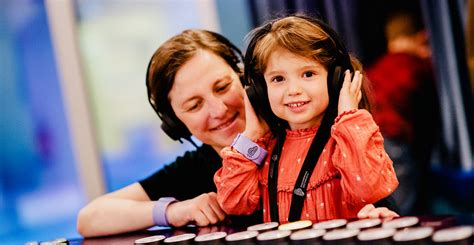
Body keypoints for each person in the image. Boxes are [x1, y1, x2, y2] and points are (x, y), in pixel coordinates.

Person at [77, 29, 398, 237]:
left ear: (249, 82)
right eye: (194, 105)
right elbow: (91, 217)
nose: (218, 110)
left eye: (222, 87)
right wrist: (176, 210)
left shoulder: (303, 129)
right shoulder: (197, 166)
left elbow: (373, 192)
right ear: (176, 124)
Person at [215, 15, 399, 223]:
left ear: (334, 80)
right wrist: (251, 135)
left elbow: (368, 188)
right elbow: (233, 203)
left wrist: (349, 116)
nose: (293, 90)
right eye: (278, 79)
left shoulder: (346, 140)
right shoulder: (264, 148)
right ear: (260, 91)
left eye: (308, 74)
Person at [366, 11, 440, 214]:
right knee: (404, 198)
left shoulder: (380, 66)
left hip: (371, 134)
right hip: (392, 134)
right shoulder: (413, 64)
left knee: (391, 193)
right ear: (421, 37)